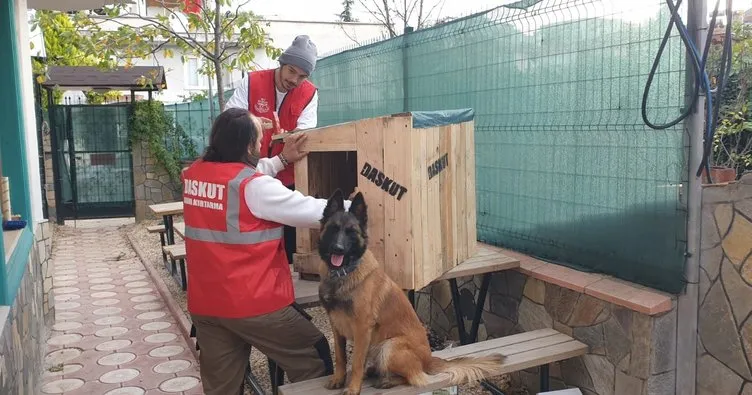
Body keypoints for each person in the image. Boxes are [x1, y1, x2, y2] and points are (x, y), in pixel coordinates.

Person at [181, 108, 350, 395]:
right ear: (248, 146)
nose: (261, 145)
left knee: (222, 388)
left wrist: (282, 160)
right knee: (313, 356)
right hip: (253, 304)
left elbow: (239, 174)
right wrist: (358, 205)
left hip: (206, 306)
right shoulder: (255, 188)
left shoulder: (195, 175)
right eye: (259, 140)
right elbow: (312, 212)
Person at [226, 34, 319, 267]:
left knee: (288, 237)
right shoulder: (252, 81)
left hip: (288, 176)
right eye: (291, 71)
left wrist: (292, 137)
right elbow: (229, 118)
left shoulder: (309, 93)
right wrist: (253, 121)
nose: (295, 80)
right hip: (249, 173)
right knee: (254, 234)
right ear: (281, 64)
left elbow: (306, 132)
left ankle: (286, 282)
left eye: (302, 76)